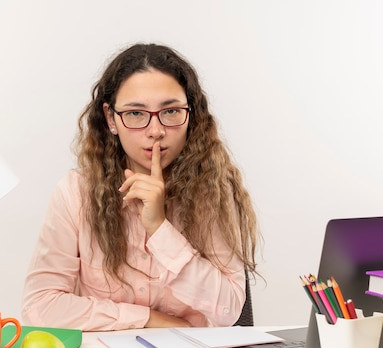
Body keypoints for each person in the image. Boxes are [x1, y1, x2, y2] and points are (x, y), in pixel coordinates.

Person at [21, 43, 259, 331]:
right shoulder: (75, 193)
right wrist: (147, 320)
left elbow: (230, 309)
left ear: (191, 115)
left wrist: (160, 228)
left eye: (170, 111)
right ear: (111, 119)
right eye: (135, 114)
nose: (155, 130)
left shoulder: (214, 191)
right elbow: (40, 306)